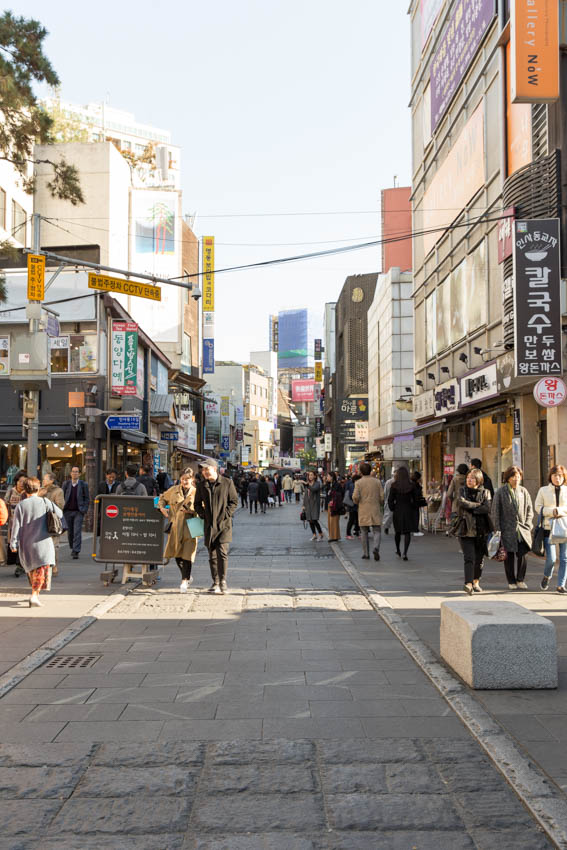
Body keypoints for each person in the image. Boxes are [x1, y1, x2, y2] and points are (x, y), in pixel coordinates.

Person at [10, 477, 63, 607]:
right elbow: (60, 514)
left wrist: (13, 543)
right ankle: (34, 595)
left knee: (32, 570)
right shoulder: (45, 502)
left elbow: (15, 526)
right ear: (38, 488)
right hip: (43, 542)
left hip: (26, 544)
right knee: (41, 570)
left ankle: (35, 593)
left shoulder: (21, 506)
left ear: (25, 489)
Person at [193, 457, 238, 594]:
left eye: (207, 469)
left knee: (222, 553)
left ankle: (223, 581)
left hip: (224, 525)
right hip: (209, 525)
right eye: (203, 470)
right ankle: (215, 581)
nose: (204, 472)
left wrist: (225, 515)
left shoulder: (227, 483)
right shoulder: (201, 485)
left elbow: (234, 501)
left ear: (214, 469)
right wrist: (204, 515)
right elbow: (196, 504)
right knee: (212, 554)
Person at [491, 465, 534, 590]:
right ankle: (511, 581)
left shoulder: (523, 491)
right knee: (508, 556)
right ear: (508, 478)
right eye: (513, 476)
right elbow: (495, 511)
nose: (516, 479)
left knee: (523, 555)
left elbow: (529, 509)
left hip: (522, 529)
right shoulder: (501, 492)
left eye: (518, 476)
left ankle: (520, 579)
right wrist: (497, 529)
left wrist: (528, 524)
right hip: (507, 529)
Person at [158, 466, 198, 593]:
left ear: (192, 480)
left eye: (187, 479)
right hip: (176, 525)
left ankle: (184, 581)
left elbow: (203, 508)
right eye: (182, 479)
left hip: (192, 524)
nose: (184, 482)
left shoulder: (196, 492)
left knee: (188, 554)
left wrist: (191, 510)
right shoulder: (174, 490)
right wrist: (162, 508)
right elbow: (161, 498)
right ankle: (187, 576)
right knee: (176, 554)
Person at [454, 467, 492, 594]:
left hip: (481, 530)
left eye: (472, 478)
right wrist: (478, 506)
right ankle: (468, 583)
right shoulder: (462, 491)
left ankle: (476, 581)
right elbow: (461, 503)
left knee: (479, 559)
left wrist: (471, 507)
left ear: (479, 480)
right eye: (468, 478)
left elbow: (487, 508)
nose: (469, 480)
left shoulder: (486, 492)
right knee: (469, 557)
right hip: (465, 529)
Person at [535, 465, 567, 593]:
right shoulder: (543, 490)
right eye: (555, 475)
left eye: (560, 475)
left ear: (564, 477)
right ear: (550, 477)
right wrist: (551, 511)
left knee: (565, 558)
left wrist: (559, 511)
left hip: (564, 528)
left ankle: (561, 585)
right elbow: (538, 507)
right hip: (548, 528)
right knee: (552, 558)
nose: (557, 478)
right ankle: (547, 576)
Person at [353, 462, 384, 560]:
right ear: (370, 470)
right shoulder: (377, 482)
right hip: (375, 508)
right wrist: (380, 503)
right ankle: (376, 548)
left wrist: (357, 502)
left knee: (364, 532)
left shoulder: (358, 483)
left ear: (361, 472)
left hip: (363, 509)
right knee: (377, 530)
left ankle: (366, 553)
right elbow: (382, 497)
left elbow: (355, 497)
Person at [388, 466, 418, 560]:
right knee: (407, 532)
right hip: (408, 509)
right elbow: (415, 499)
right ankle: (405, 552)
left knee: (397, 531)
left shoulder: (394, 485)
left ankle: (398, 550)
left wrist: (392, 508)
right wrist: (413, 507)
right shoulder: (411, 485)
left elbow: (390, 500)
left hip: (398, 510)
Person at [38, 472, 65, 576]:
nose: (43, 481)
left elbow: (60, 506)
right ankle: (43, 567)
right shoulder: (40, 490)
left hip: (53, 522)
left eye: (45, 479)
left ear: (52, 480)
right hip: (41, 521)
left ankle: (54, 566)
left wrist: (46, 501)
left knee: (54, 546)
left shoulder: (58, 491)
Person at [62, 466, 90, 560]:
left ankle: (76, 551)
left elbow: (87, 498)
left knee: (77, 531)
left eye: (76, 472)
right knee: (70, 532)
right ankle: (72, 546)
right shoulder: (66, 484)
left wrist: (84, 509)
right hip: (67, 511)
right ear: (70, 473)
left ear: (79, 474)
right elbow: (62, 496)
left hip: (78, 511)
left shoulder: (83, 484)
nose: (75, 473)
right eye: (73, 471)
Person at [5, 470, 27, 575]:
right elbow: (5, 504)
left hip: (24, 523)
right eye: (20, 481)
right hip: (12, 522)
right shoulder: (11, 491)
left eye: (24, 481)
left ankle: (20, 566)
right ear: (16, 482)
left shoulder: (27, 493)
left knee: (22, 543)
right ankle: (17, 563)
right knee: (14, 543)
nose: (21, 483)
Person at [303, 471, 324, 540]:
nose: (310, 476)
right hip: (308, 504)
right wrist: (303, 505)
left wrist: (307, 485)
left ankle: (320, 534)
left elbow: (314, 489)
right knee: (309, 520)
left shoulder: (317, 483)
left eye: (311, 475)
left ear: (315, 476)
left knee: (314, 519)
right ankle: (314, 535)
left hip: (315, 504)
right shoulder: (307, 484)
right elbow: (305, 495)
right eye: (309, 475)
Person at [326, 472, 344, 542]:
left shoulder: (337, 485)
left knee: (334, 521)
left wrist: (334, 499)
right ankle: (333, 536)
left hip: (335, 505)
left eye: (328, 476)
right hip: (329, 504)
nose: (327, 477)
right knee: (330, 521)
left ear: (332, 477)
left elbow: (341, 494)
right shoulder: (328, 484)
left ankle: (334, 537)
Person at [344, 474, 361, 539]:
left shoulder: (354, 485)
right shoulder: (352, 485)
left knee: (357, 519)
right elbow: (351, 495)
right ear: (356, 480)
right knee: (351, 519)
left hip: (355, 505)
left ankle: (357, 532)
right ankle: (348, 533)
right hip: (352, 505)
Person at [382, 468, 395, 535]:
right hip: (391, 500)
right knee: (389, 515)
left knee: (388, 515)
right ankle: (386, 527)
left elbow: (385, 492)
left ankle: (386, 527)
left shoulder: (388, 482)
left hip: (388, 500)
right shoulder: (390, 482)